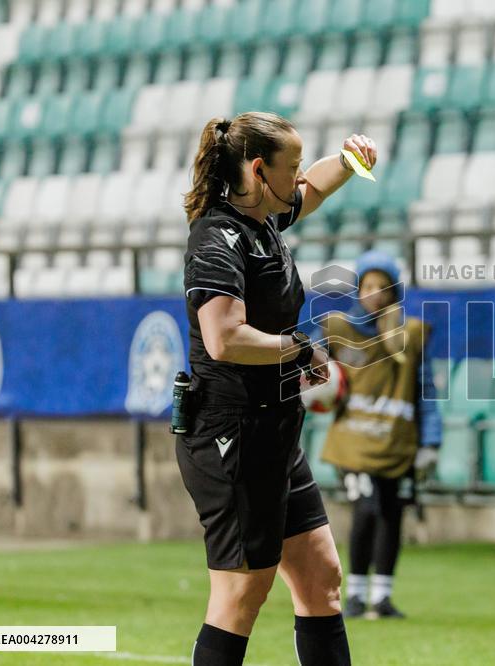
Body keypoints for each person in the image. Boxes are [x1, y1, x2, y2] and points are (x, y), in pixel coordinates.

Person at [176, 110, 377, 666]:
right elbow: (223, 338)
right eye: (290, 167)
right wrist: (300, 348)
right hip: (230, 434)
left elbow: (313, 189)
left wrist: (350, 159)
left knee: (320, 578)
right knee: (241, 593)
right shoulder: (217, 236)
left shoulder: (264, 218)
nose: (299, 180)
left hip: (273, 430)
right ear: (259, 170)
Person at [317, 249, 442, 620]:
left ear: (394, 292)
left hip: (397, 441)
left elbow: (426, 391)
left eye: (382, 287)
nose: (374, 293)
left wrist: (431, 442)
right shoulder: (336, 330)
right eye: (367, 286)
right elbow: (310, 371)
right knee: (366, 509)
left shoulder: (412, 336)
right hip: (354, 442)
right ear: (357, 290)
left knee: (392, 513)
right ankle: (353, 593)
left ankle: (382, 597)